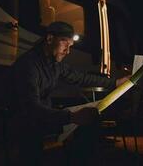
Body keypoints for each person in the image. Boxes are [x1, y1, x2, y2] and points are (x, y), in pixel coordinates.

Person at [10, 21, 130, 166]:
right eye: (64, 43)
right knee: (83, 125)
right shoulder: (28, 65)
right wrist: (71, 116)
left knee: (90, 120)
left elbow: (81, 77)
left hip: (44, 116)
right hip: (25, 120)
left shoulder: (54, 64)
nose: (67, 51)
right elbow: (31, 108)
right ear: (49, 39)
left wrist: (115, 83)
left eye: (70, 46)